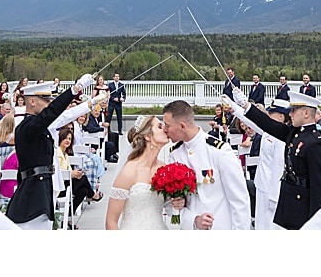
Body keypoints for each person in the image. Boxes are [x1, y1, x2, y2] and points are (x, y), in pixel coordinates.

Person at [223, 89, 321, 230]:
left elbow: (320, 189)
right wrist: (245, 105)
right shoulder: (294, 133)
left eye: (293, 110)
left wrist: (317, 224)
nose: (290, 114)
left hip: (302, 208)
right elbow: (266, 124)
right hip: (289, 202)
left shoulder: (316, 143)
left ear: (306, 113)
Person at [6, 75, 96, 229]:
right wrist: (75, 89)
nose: (49, 104)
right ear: (32, 101)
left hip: (41, 189)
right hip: (34, 194)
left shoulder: (38, 128)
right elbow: (52, 113)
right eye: (46, 100)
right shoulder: (28, 127)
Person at [163, 99, 250, 230]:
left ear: (182, 126)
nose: (164, 130)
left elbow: (239, 201)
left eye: (167, 125)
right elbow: (170, 204)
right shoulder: (175, 155)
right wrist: (193, 220)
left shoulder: (219, 151)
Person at [105, 115, 171, 230]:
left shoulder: (163, 168)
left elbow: (169, 204)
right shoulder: (129, 171)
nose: (165, 129)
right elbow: (111, 221)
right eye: (160, 127)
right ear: (147, 136)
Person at [251, 98, 289, 230]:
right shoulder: (269, 132)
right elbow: (251, 121)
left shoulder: (281, 139)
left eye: (271, 113)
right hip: (261, 183)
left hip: (271, 188)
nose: (268, 116)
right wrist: (236, 106)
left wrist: (274, 196)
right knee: (260, 222)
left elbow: (278, 167)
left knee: (269, 225)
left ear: (280, 116)